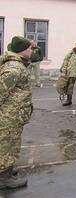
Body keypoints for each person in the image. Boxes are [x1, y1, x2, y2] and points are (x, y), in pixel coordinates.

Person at [0, 36, 33, 189]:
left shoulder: (18, 64)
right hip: (9, 115)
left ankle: (7, 170)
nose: (32, 51)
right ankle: (3, 178)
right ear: (22, 50)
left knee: (11, 143)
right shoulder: (14, 68)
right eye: (30, 48)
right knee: (7, 144)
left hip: (14, 113)